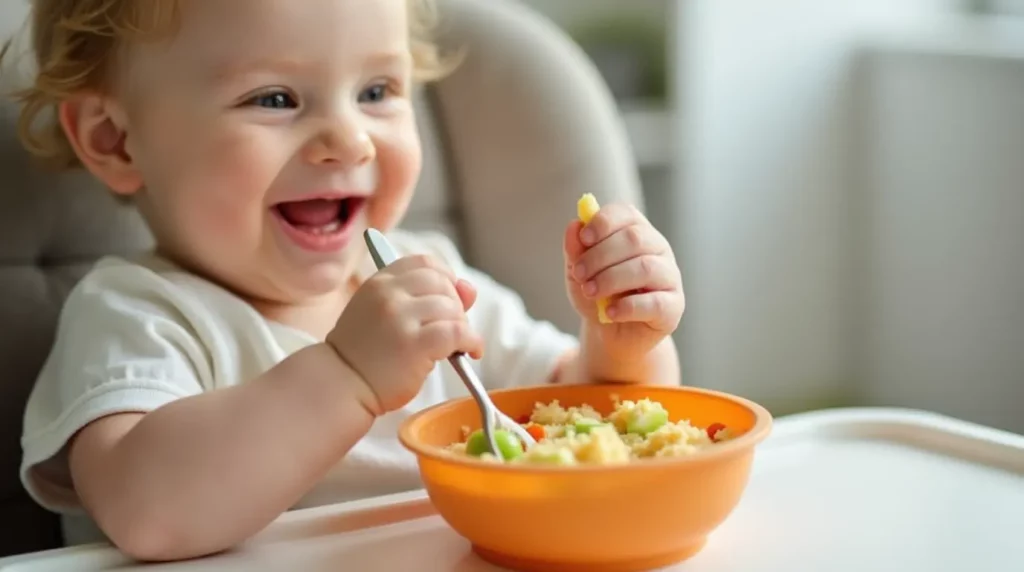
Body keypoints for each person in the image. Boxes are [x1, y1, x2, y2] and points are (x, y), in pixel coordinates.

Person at [3, 0, 685, 562]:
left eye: (377, 92)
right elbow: (150, 514)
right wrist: (346, 376)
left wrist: (622, 343)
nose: (350, 139)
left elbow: (587, 430)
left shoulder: (430, 276)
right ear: (114, 139)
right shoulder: (137, 314)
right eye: (274, 98)